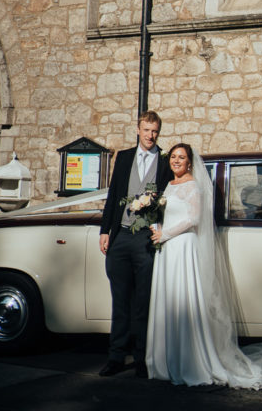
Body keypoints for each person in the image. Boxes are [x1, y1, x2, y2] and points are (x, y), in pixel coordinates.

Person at [145, 142, 262, 388]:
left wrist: (166, 234)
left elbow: (194, 218)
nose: (176, 161)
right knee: (171, 300)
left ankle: (191, 360)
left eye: (181, 157)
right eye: (173, 156)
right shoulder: (169, 185)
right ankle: (166, 361)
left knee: (186, 300)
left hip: (183, 246)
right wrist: (157, 228)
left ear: (189, 162)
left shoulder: (193, 185)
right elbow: (168, 213)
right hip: (169, 249)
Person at [98, 111, 170, 377]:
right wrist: (105, 231)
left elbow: (168, 199)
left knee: (142, 301)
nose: (150, 135)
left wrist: (160, 227)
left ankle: (141, 358)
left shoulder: (164, 161)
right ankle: (116, 357)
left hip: (145, 240)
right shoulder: (125, 157)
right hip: (120, 237)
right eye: (146, 130)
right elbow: (114, 194)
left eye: (155, 131)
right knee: (120, 299)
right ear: (138, 129)